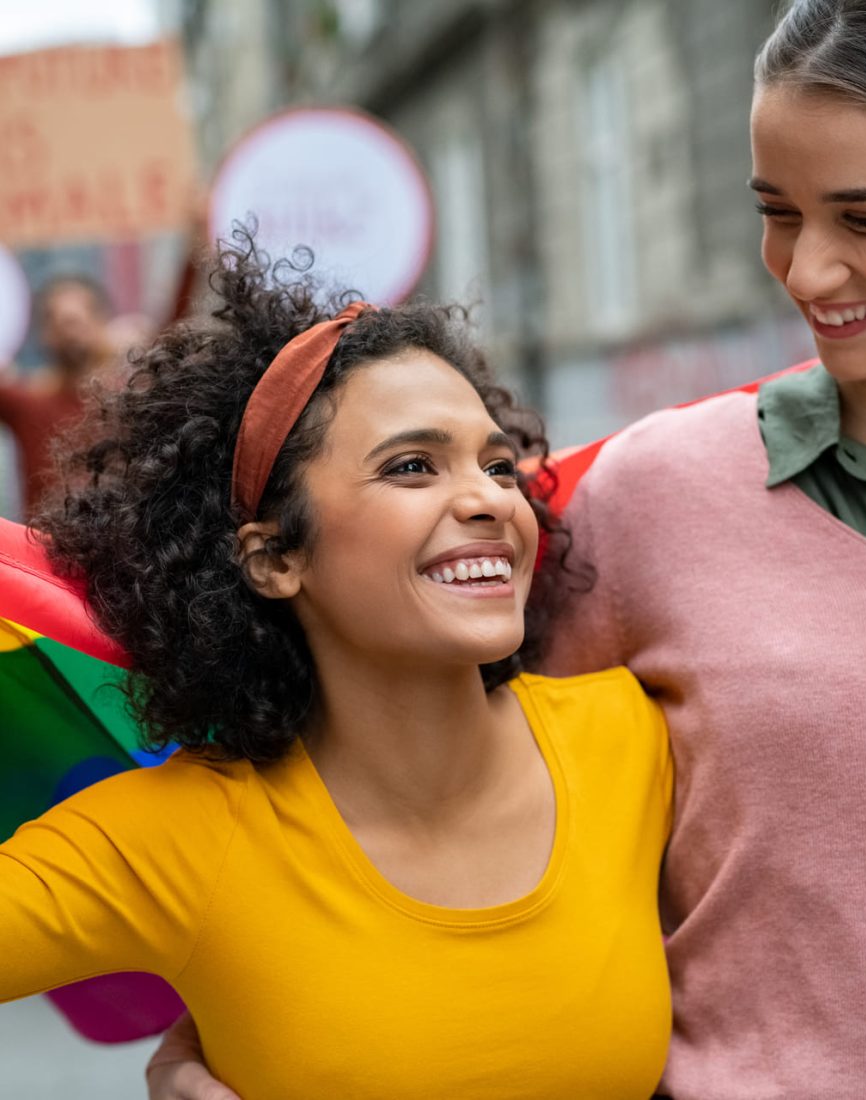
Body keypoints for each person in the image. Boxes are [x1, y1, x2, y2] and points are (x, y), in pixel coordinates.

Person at [148, 0, 866, 1095]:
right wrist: (242, 1037)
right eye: (777, 212)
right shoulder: (658, 496)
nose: (808, 271)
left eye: (865, 219)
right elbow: (427, 804)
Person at [0, 234, 674, 1100]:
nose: (490, 498)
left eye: (499, 463)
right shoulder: (179, 837)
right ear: (275, 558)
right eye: (412, 466)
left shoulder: (635, 736)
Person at [0, 274, 118, 519]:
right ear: (43, 334)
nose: (70, 329)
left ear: (102, 321)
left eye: (80, 318)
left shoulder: (132, 399)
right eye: (56, 320)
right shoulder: (29, 403)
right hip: (40, 549)